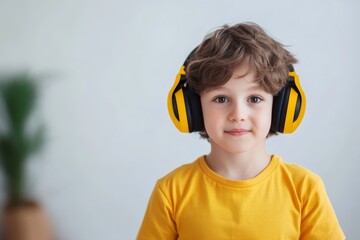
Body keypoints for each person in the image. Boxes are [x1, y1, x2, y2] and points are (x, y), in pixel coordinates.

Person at [137, 22, 345, 239]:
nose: (238, 114)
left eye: (255, 98)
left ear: (281, 107)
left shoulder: (304, 189)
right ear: (194, 108)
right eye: (221, 98)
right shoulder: (171, 191)